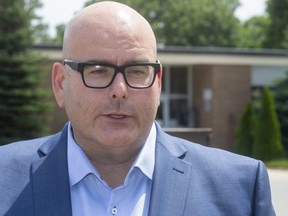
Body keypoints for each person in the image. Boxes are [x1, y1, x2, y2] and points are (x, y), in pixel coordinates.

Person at [0, 1, 275, 216]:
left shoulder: (239, 188)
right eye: (97, 70)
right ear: (61, 84)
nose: (119, 89)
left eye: (136, 70)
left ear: (158, 82)